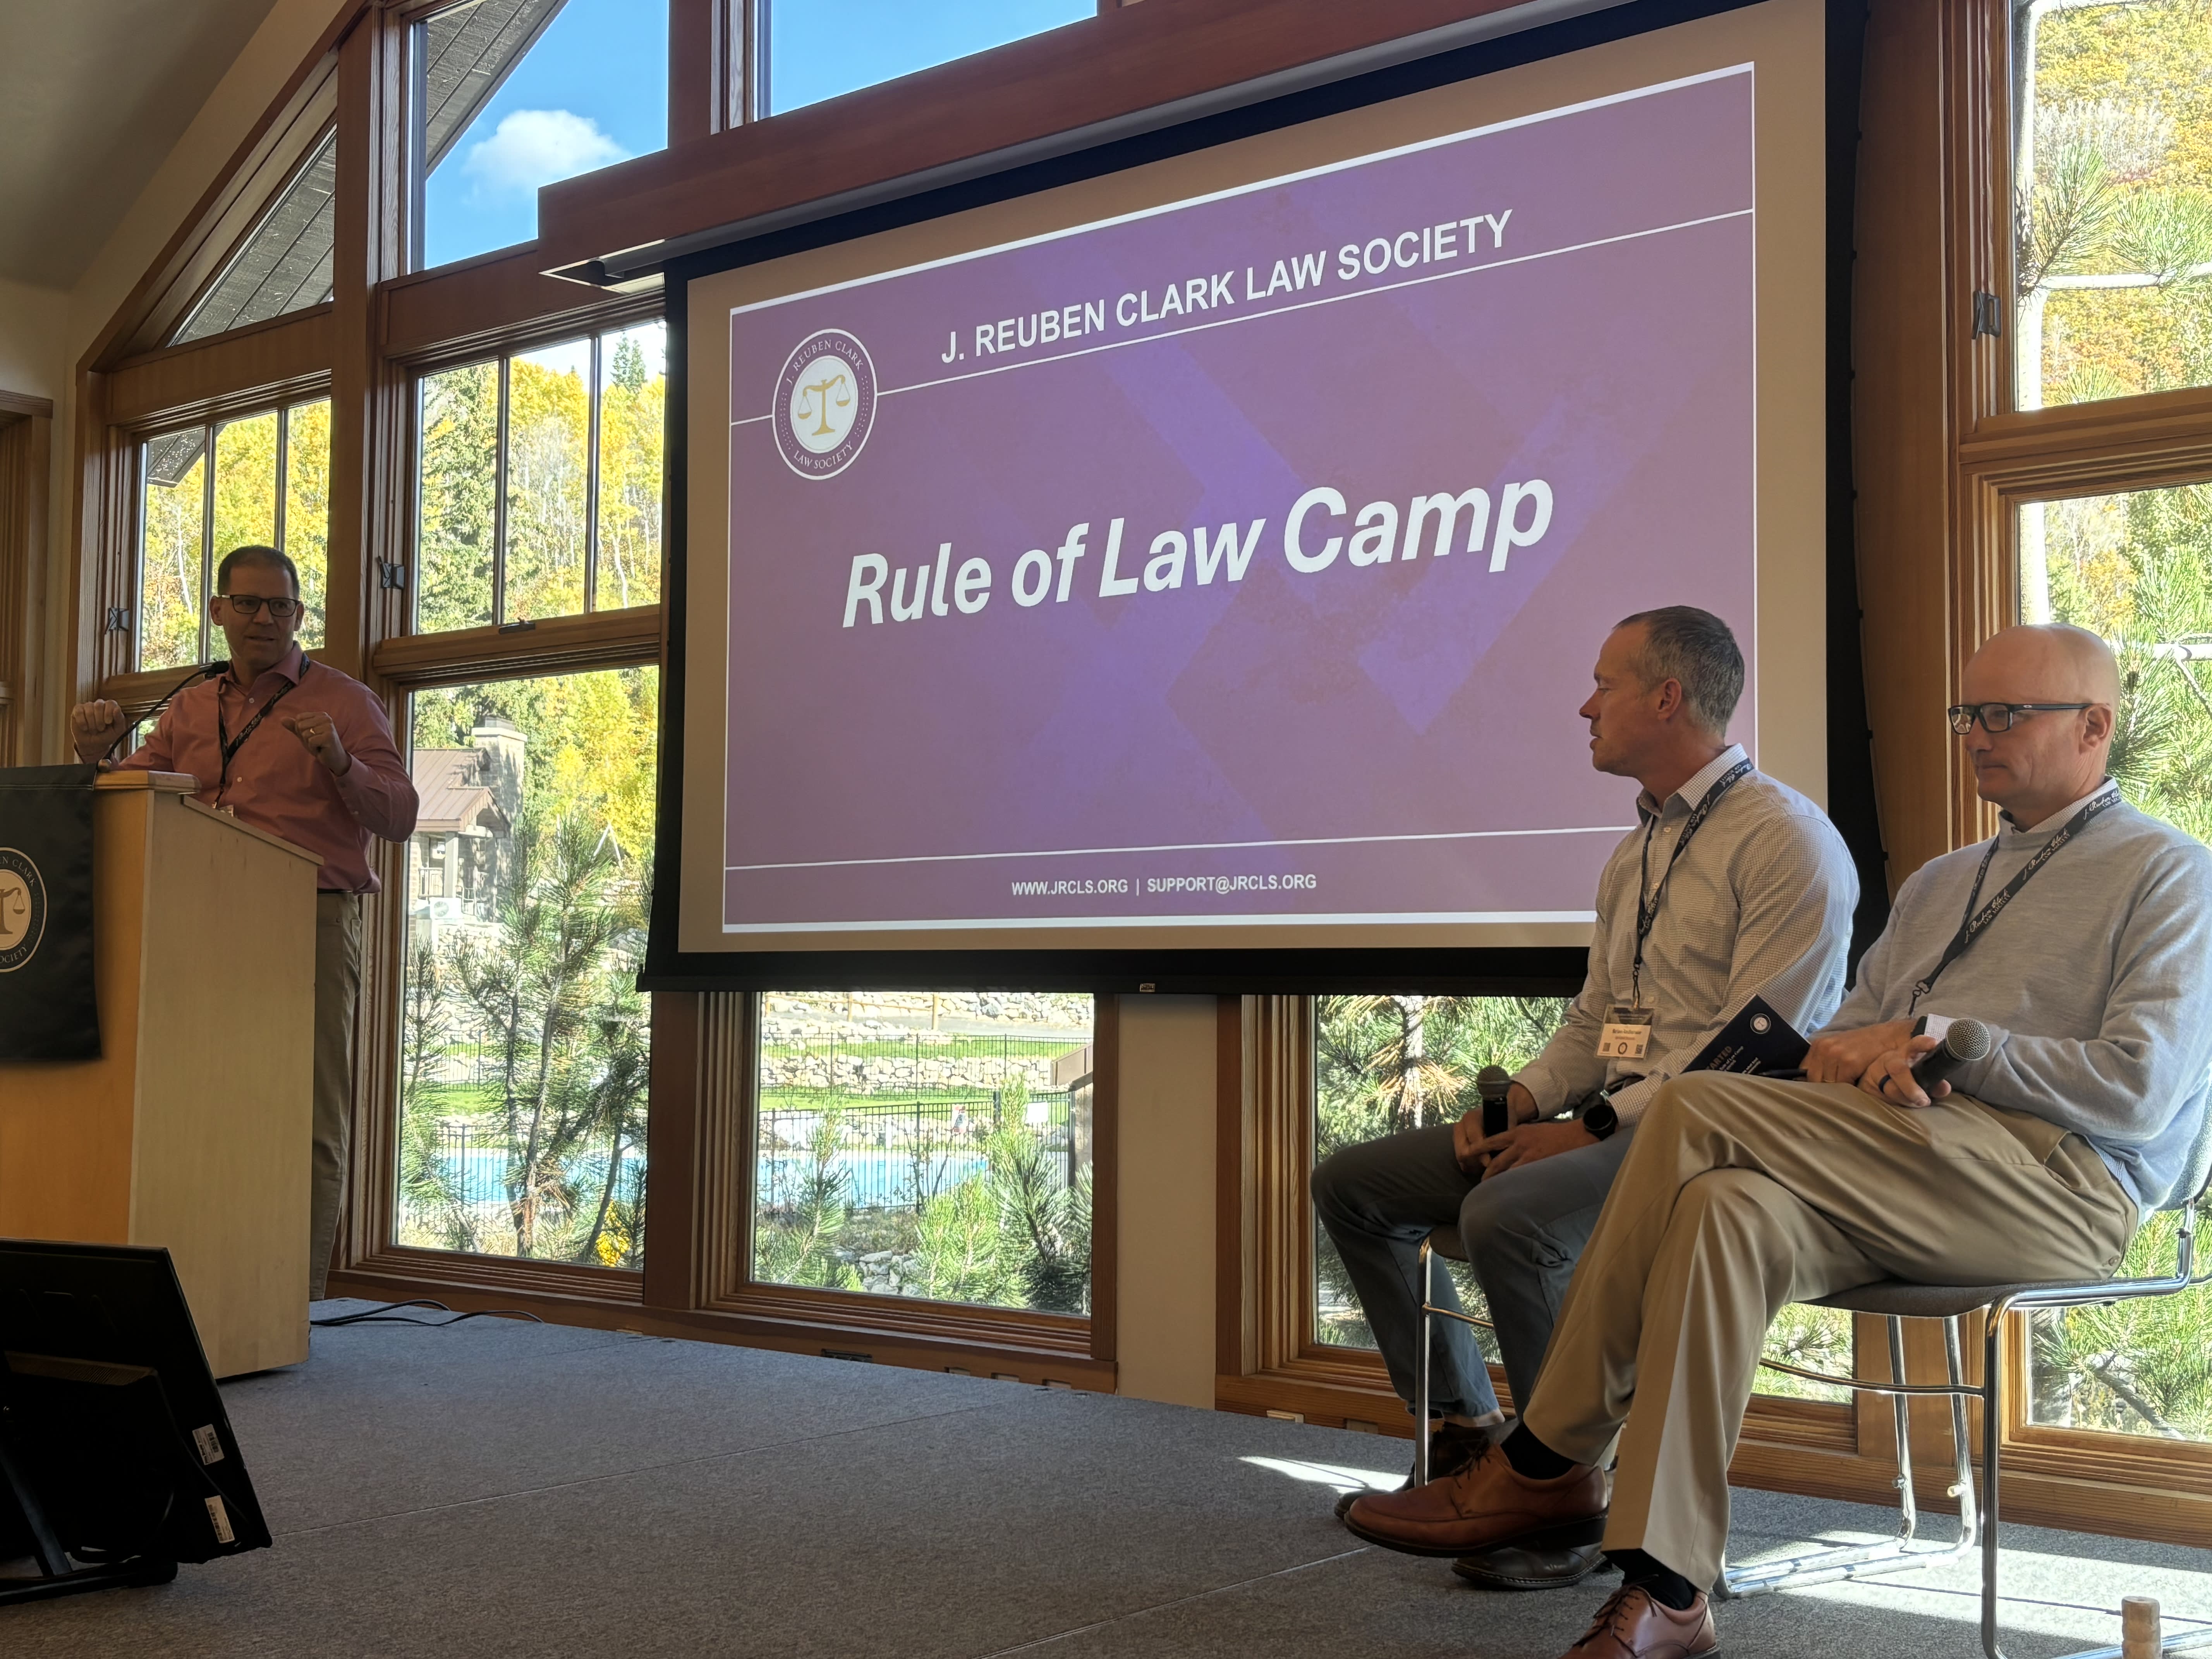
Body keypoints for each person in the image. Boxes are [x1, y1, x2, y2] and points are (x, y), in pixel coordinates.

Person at [1345, 623, 2212, 1659]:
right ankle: (1670, 1592)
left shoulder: (2171, 872)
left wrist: (1947, 1043)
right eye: (1966, 714)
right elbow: (1840, 1038)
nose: (1977, 734)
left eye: (2004, 714)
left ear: (2095, 727)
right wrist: (1866, 1057)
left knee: (1700, 1106)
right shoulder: (1944, 881)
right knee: (1726, 1208)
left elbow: (2140, 1091)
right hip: (1897, 1155)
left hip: (2056, 1185)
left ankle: (1546, 1457)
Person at [1316, 606, 1858, 1590]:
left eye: (1605, 684)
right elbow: (1599, 1022)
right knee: (1354, 1185)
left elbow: (1755, 1051)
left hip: (1715, 1139)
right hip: (1611, 1120)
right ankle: (1469, 1433)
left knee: (1511, 1214)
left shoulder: (1787, 841)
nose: (1585, 707)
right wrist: (1526, 1103)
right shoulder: (1635, 852)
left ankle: (1566, 1485)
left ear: (1668, 697)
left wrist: (1589, 1130)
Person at [70, 546, 419, 1302]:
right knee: (204, 1102)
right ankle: (208, 1285)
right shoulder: (191, 705)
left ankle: (294, 1300)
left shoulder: (347, 701)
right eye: (249, 603)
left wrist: (341, 763)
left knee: (310, 1113)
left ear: (299, 615)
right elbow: (136, 795)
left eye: (280, 606)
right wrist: (96, 759)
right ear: (218, 611)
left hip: (311, 918)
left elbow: (399, 816)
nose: (265, 618)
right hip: (200, 921)